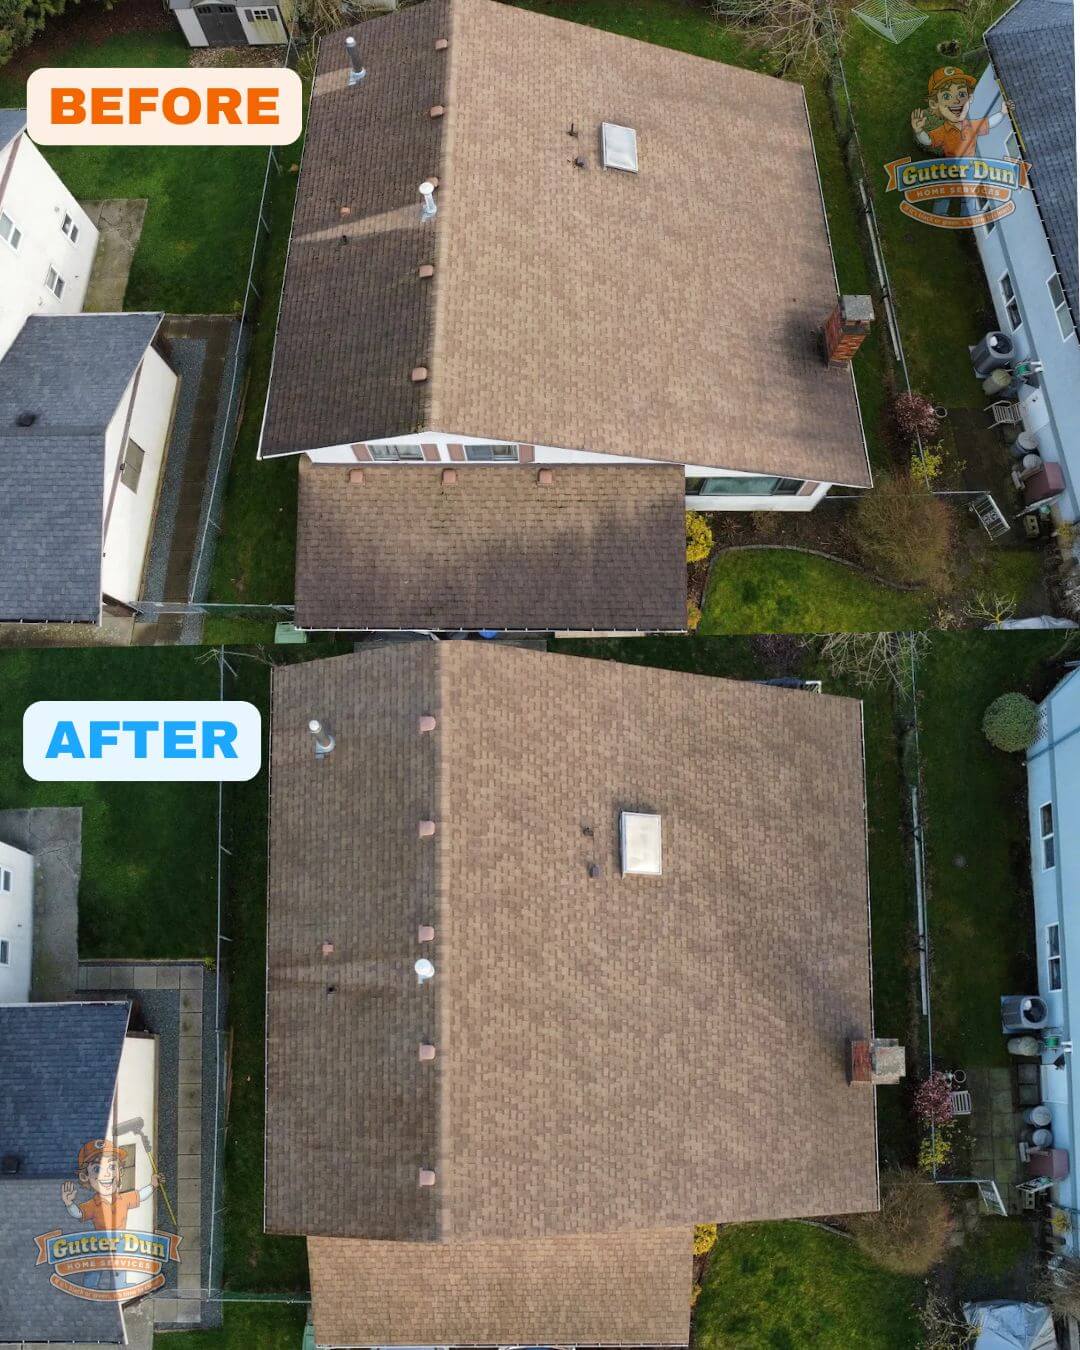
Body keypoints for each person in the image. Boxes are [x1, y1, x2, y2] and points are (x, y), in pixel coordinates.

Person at [60, 1139, 160, 1290]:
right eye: (97, 1169)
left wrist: (152, 1185)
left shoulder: (124, 1199)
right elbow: (78, 1213)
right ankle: (90, 1287)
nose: (106, 1174)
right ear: (84, 1177)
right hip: (100, 1242)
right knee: (95, 1266)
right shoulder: (94, 1204)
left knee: (121, 1266)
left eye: (112, 1166)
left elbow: (140, 1195)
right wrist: (69, 1204)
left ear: (119, 1172)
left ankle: (121, 1287)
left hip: (120, 1240)